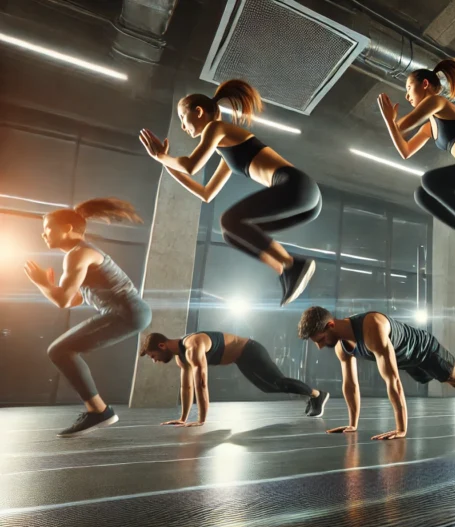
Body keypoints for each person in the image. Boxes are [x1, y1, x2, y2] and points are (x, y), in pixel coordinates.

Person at [139, 79, 321, 306]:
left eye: (182, 119)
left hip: (297, 188)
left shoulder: (216, 128)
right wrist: (166, 165)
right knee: (231, 232)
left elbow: (191, 166)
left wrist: (162, 157)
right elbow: (206, 193)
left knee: (229, 220)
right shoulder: (228, 149)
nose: (183, 127)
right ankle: (284, 268)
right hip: (306, 199)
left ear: (198, 112)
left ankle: (293, 264)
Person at [24, 198, 152, 437]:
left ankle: (99, 411)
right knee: (61, 351)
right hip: (129, 313)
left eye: (48, 229)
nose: (43, 235)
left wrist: (41, 283)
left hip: (127, 312)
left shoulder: (78, 254)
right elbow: (72, 300)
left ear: (68, 229)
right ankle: (98, 411)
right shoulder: (80, 255)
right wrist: (49, 285)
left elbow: (62, 301)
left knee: (59, 351)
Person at [298, 306, 455, 438]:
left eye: (320, 340)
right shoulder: (341, 346)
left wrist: (401, 428)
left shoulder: (372, 327)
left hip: (424, 350)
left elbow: (392, 379)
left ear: (330, 326)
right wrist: (353, 424)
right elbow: (351, 385)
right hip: (410, 363)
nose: (320, 346)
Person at [376, 58, 455, 267]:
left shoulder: (438, 102)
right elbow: (405, 151)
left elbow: (400, 127)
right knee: (422, 194)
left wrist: (389, 118)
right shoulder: (430, 126)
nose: (407, 95)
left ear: (425, 85)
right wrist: (391, 122)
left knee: (430, 179)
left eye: (409, 87)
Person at [139, 331, 330, 424]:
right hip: (240, 358)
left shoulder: (192, 346)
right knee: (268, 387)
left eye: (152, 356)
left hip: (250, 350)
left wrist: (202, 420)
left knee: (277, 382)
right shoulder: (181, 359)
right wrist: (182, 418)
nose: (154, 361)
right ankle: (313, 396)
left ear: (162, 346)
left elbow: (201, 383)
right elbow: (186, 388)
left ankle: (317, 394)